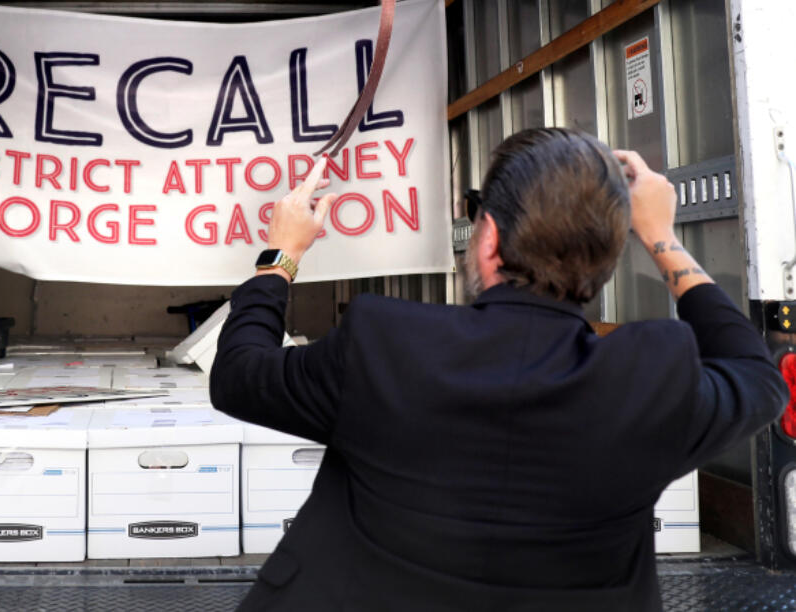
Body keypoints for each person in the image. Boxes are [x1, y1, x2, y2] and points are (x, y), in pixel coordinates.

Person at [211, 127, 787, 612]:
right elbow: (757, 377)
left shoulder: (381, 340)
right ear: (614, 253)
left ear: (488, 238)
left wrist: (280, 255)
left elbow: (238, 373)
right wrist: (661, 235)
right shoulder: (652, 377)